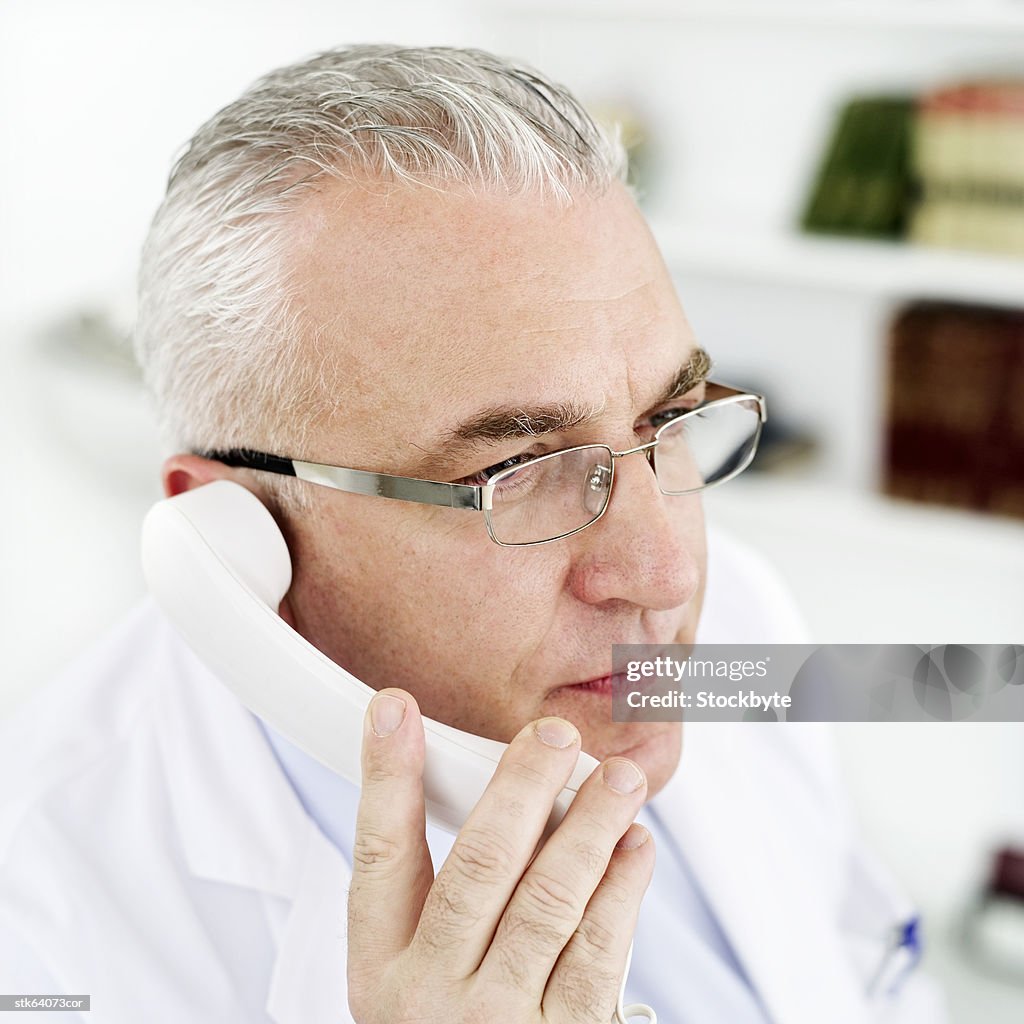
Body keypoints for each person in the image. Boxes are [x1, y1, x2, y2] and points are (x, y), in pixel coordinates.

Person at [0, 44, 945, 1023]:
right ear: (234, 534)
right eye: (517, 472)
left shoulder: (742, 623)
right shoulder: (40, 924)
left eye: (666, 422)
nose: (664, 573)